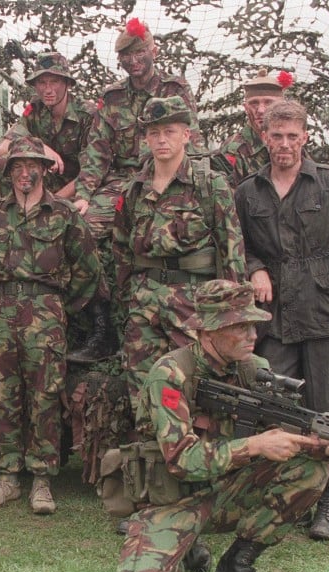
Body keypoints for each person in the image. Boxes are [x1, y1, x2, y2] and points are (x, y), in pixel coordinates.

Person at [113, 279, 329, 572]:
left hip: (226, 494)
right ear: (208, 331)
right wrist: (254, 445)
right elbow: (181, 460)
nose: (253, 335)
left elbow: (285, 440)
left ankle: (235, 567)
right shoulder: (170, 375)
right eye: (240, 327)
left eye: (253, 325)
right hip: (171, 501)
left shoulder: (255, 371)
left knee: (312, 470)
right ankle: (184, 546)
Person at [235, 100, 329, 541]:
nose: (285, 144)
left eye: (293, 136)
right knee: (274, 405)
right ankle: (285, 493)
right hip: (275, 315)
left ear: (306, 137)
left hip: (326, 309)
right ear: (265, 137)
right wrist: (255, 267)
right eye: (277, 136)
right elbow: (238, 244)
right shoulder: (248, 191)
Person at [68, 18, 207, 364]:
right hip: (122, 183)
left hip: (168, 178)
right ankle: (102, 327)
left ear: (153, 50)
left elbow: (194, 140)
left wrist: (196, 181)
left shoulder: (175, 90)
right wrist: (83, 194)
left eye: (140, 51)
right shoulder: (113, 98)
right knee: (82, 230)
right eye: (127, 56)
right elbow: (97, 152)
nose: (134, 60)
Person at [0, 136, 101, 514]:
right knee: (1, 393)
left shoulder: (64, 215)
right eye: (17, 166)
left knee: (45, 395)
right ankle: (8, 477)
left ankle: (42, 480)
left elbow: (88, 270)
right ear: (9, 171)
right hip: (3, 310)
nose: (25, 173)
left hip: (46, 311)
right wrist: (2, 300)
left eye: (33, 166)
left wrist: (60, 305)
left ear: (45, 170)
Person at [112, 96, 245, 403]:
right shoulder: (133, 190)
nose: (161, 139)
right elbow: (121, 251)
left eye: (169, 131)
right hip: (145, 303)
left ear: (186, 134)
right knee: (142, 391)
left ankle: (195, 451)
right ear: (145, 138)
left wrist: (233, 315)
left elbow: (233, 251)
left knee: (194, 388)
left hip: (193, 304)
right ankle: (149, 449)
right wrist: (125, 303)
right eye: (154, 132)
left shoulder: (210, 186)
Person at [0, 52, 96, 199]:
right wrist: (41, 147)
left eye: (54, 81)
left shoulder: (87, 115)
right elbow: (3, 148)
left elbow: (91, 171)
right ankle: (14, 215)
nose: (48, 90)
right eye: (42, 83)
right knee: (5, 163)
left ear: (67, 83)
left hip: (82, 187)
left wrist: (54, 203)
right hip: (48, 180)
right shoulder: (36, 109)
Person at [219, 69, 292, 187]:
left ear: (282, 106)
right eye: (254, 103)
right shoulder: (234, 149)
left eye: (268, 102)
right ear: (246, 107)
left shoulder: (291, 143)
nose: (261, 110)